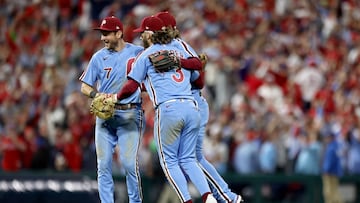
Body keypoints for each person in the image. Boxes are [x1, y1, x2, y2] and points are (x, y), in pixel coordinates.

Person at [113, 15, 217, 203]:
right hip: (192, 108)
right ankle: (208, 197)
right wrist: (184, 64)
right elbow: (199, 81)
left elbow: (131, 86)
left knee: (169, 161)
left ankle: (187, 201)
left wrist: (115, 98)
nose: (140, 36)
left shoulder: (146, 54)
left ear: (151, 34)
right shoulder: (179, 48)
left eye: (143, 33)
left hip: (168, 109)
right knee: (188, 159)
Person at [155, 11, 243, 203]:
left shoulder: (180, 46)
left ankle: (227, 196)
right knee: (188, 159)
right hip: (188, 106)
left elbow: (200, 80)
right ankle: (224, 196)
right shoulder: (161, 49)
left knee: (192, 158)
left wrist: (183, 63)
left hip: (193, 102)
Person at [78, 16, 145, 203]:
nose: (102, 38)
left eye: (106, 33)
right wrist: (96, 96)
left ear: (119, 33)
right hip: (105, 117)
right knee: (103, 165)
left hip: (130, 113)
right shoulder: (98, 57)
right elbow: (85, 86)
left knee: (129, 164)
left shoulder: (138, 52)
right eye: (102, 33)